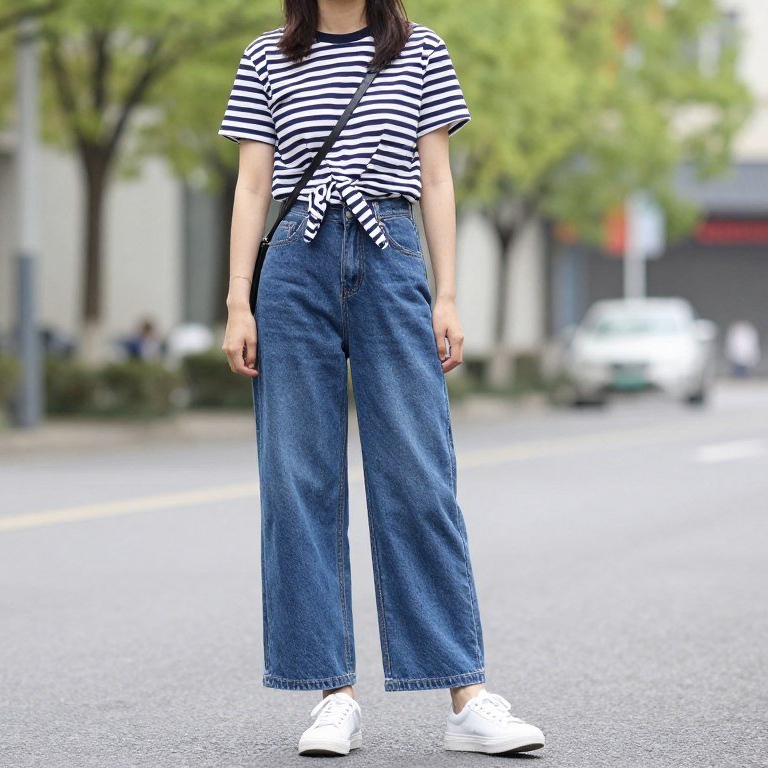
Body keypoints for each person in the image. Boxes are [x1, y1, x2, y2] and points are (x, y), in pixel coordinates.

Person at [218, 0, 545, 758]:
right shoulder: (267, 55)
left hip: (390, 252)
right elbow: (250, 184)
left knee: (419, 476)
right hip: (294, 263)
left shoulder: (422, 51)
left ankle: (465, 694)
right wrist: (238, 299)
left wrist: (450, 292)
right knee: (299, 479)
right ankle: (332, 694)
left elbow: (436, 178)